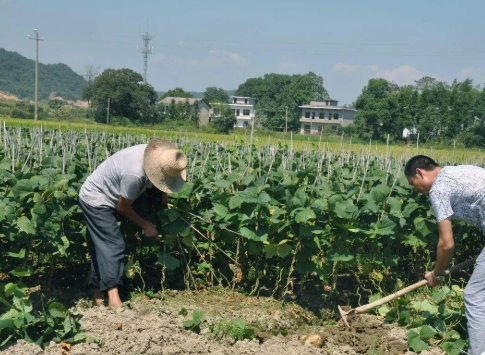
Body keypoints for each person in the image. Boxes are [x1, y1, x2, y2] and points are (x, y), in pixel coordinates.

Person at [79, 139, 187, 308]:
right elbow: (123, 208)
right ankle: (114, 300)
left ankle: (97, 296)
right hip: (97, 199)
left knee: (100, 247)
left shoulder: (154, 154)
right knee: (113, 244)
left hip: (113, 194)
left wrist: (163, 194)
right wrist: (146, 225)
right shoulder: (134, 175)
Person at [405, 155, 485, 355]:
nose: (418, 191)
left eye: (413, 184)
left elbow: (447, 244)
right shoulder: (459, 171)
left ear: (419, 172)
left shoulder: (439, 189)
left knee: (474, 295)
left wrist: (437, 275)